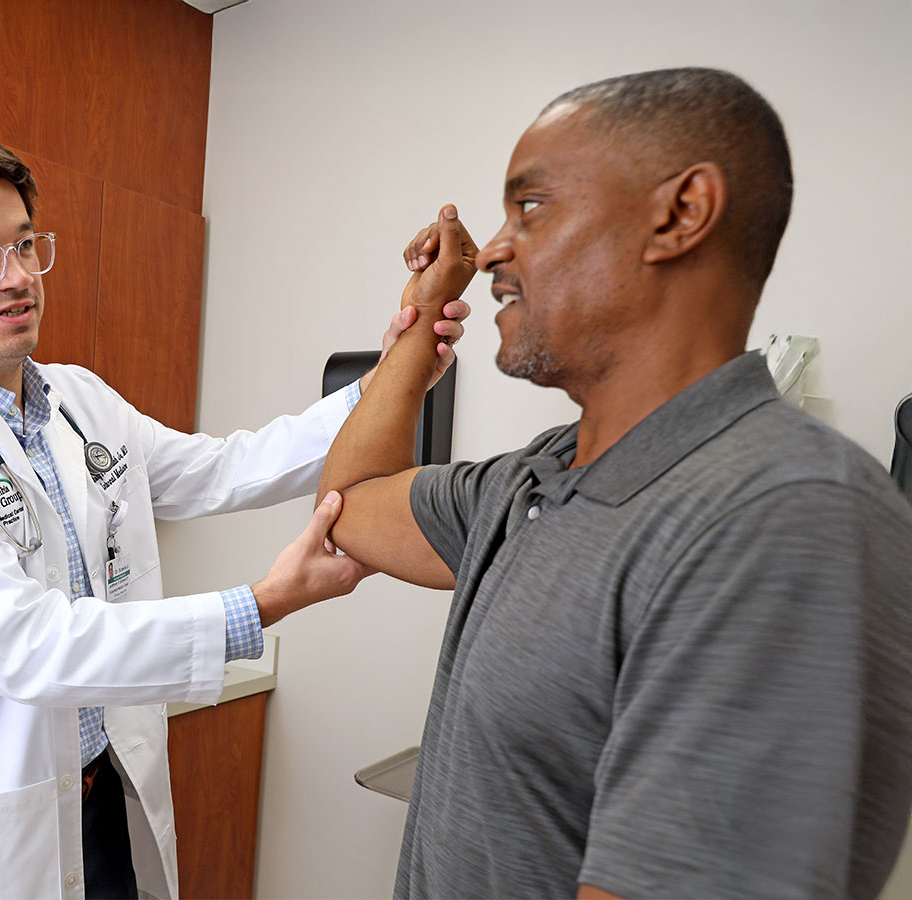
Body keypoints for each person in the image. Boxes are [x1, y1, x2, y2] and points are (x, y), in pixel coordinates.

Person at [0, 129, 467, 900]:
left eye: (27, 246)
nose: (18, 277)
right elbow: (27, 647)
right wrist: (265, 603)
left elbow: (226, 469)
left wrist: (393, 376)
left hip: (102, 796)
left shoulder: (80, 400)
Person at [318, 68, 912, 899]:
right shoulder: (533, 480)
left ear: (678, 215)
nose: (490, 250)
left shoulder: (787, 515)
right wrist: (419, 317)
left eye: (530, 207)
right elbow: (346, 510)